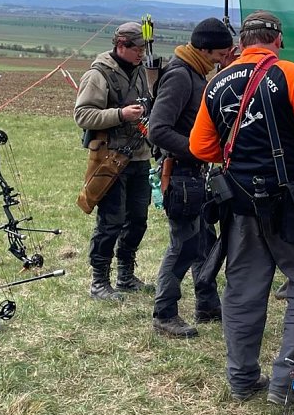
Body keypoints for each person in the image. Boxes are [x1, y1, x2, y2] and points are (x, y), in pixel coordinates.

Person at [189, 10, 294, 404]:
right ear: (277, 41)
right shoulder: (293, 76)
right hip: (293, 205)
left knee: (242, 290)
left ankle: (242, 380)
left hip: (240, 206)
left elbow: (200, 148)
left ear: (242, 43)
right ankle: (289, 384)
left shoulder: (217, 82)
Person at [147, 18, 233, 337]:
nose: (223, 55)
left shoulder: (195, 71)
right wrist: (200, 151)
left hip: (194, 174)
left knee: (203, 242)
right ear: (206, 47)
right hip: (182, 174)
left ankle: (207, 304)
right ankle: (164, 314)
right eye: (221, 49)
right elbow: (158, 129)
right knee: (182, 245)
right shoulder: (181, 75)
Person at [74, 22, 153, 301]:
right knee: (111, 221)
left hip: (139, 155)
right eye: (138, 48)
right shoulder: (99, 74)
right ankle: (99, 281)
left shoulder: (141, 71)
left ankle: (125, 275)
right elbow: (82, 115)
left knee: (138, 219)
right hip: (110, 158)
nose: (142, 53)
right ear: (121, 45)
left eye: (144, 48)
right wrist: (120, 115)